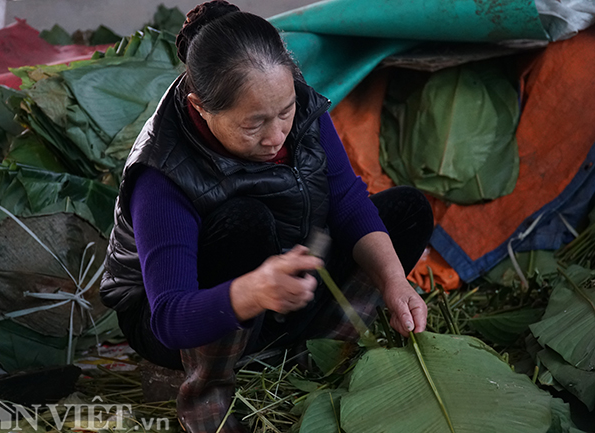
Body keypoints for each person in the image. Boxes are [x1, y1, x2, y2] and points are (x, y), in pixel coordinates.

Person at [100, 1, 434, 431]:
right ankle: (210, 397)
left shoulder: (297, 105)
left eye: (285, 112)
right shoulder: (162, 173)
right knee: (245, 221)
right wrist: (252, 292)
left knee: (407, 212)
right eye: (253, 124)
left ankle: (315, 351)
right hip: (186, 311)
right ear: (201, 107)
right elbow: (169, 317)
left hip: (280, 270)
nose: (276, 136)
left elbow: (348, 200)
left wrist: (394, 281)